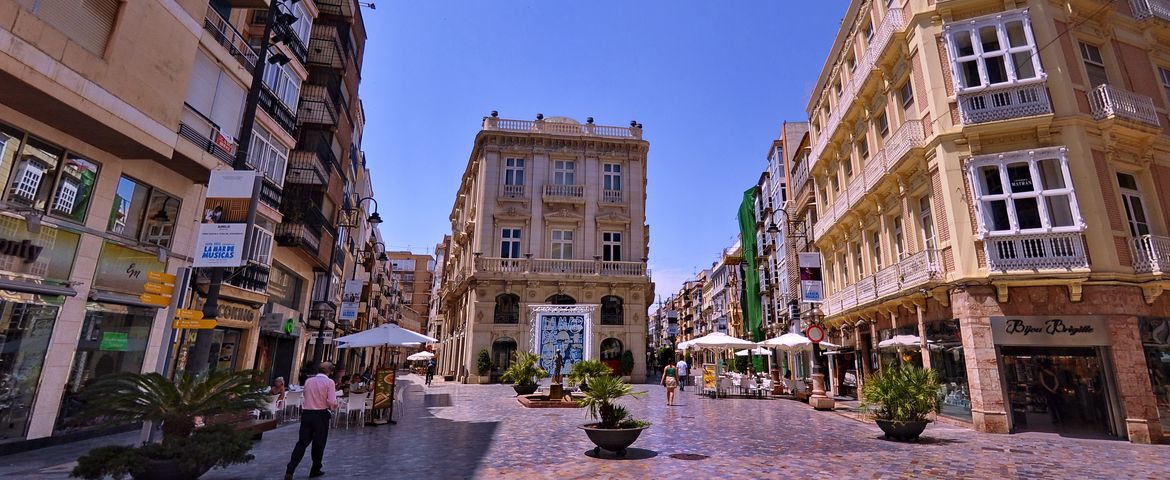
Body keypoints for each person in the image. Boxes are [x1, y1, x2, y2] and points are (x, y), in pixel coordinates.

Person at [286, 362, 337, 479]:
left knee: (301, 443)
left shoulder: (309, 381)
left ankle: (290, 469)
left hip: (307, 414)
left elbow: (305, 395)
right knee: (319, 444)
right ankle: (315, 469)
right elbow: (331, 401)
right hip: (321, 414)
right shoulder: (329, 382)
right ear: (330, 371)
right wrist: (334, 406)